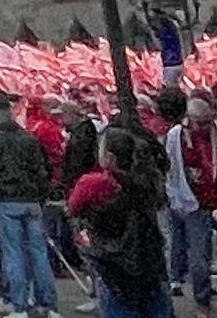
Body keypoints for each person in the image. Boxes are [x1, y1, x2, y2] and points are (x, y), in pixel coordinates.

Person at [68, 128, 170, 318]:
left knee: (119, 305)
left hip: (113, 262)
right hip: (150, 261)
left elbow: (73, 207)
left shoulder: (93, 183)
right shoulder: (147, 182)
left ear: (109, 157)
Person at [0, 92, 58, 318]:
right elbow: (40, 170)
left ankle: (19, 305)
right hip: (31, 200)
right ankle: (48, 304)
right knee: (39, 253)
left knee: (13, 254)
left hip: (6, 199)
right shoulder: (26, 135)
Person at [166, 93, 217, 318]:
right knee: (199, 258)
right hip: (195, 205)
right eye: (198, 122)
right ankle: (202, 301)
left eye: (206, 121)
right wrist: (176, 199)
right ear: (189, 118)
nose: (202, 126)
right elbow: (171, 170)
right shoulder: (176, 136)